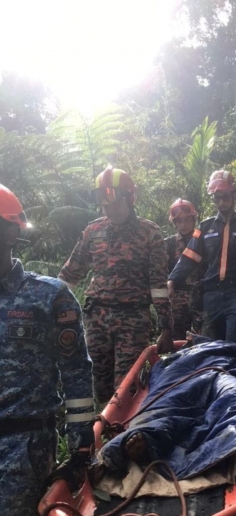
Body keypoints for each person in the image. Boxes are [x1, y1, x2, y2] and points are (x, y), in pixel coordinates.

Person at [0, 185, 95, 516]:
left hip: (23, 445)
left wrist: (81, 451)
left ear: (11, 233)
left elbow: (77, 375)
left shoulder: (49, 296)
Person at [58, 167, 174, 404]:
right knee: (97, 385)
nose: (108, 206)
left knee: (127, 388)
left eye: (113, 199)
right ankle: (101, 434)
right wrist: (52, 309)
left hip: (132, 320)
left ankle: (126, 437)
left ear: (130, 198)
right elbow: (70, 274)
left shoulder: (149, 233)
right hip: (97, 318)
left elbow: (158, 284)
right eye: (102, 200)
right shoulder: (93, 231)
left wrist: (166, 327)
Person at [168, 170, 236, 342]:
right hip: (212, 295)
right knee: (209, 344)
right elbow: (189, 257)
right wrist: (172, 280)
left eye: (225, 197)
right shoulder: (205, 227)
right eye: (217, 198)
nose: (221, 202)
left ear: (234, 195)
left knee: (233, 343)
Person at [164, 198, 204, 340]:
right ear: (174, 223)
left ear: (193, 220)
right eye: (179, 221)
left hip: (201, 297)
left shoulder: (203, 240)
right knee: (178, 339)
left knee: (201, 339)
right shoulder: (169, 244)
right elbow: (161, 272)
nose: (183, 224)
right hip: (177, 298)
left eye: (187, 220)